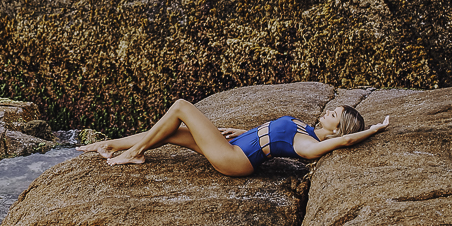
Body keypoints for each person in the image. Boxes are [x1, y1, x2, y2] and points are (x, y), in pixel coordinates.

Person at [77, 99, 390, 176]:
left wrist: (373, 129)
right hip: (236, 144)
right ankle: (112, 144)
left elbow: (347, 142)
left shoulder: (310, 144)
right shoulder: (303, 129)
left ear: (337, 130)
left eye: (333, 116)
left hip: (234, 160)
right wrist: (247, 132)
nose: (327, 114)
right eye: (332, 111)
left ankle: (134, 152)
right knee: (174, 130)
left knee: (181, 107)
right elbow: (270, 135)